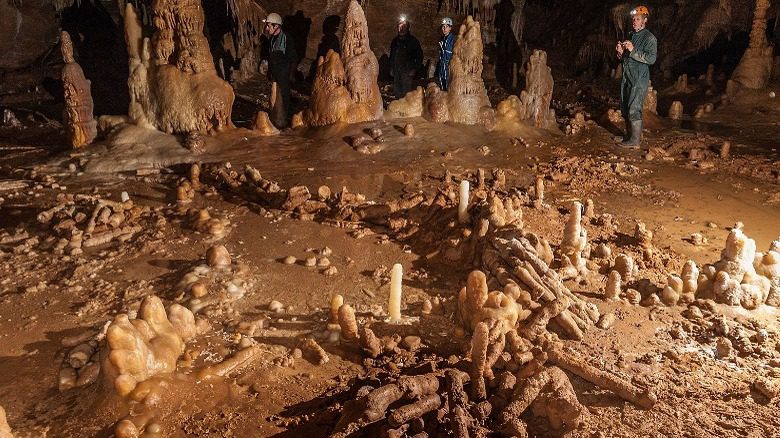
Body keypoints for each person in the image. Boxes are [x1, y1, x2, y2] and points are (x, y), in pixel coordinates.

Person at [615, 5, 657, 148]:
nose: (634, 21)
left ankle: (635, 141)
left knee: (634, 108)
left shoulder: (649, 38)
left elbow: (651, 59)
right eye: (633, 19)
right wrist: (621, 52)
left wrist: (633, 50)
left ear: (644, 21)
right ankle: (629, 135)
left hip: (639, 79)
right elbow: (626, 59)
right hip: (627, 77)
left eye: (637, 19)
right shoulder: (631, 35)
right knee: (626, 107)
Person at [263, 12, 297, 128]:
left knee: (284, 95)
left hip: (284, 72)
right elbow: (271, 57)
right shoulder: (272, 39)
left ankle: (284, 120)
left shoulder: (286, 38)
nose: (267, 28)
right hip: (275, 72)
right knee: (275, 95)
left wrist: (291, 74)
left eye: (269, 25)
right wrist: (269, 71)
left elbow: (293, 58)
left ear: (276, 26)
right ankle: (276, 117)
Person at [389, 16, 423, 99]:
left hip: (407, 72)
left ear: (407, 27)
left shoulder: (413, 41)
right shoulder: (395, 41)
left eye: (404, 26)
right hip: (397, 71)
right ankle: (398, 111)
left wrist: (414, 69)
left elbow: (419, 56)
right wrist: (392, 68)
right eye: (400, 25)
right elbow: (392, 56)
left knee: (406, 95)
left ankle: (405, 111)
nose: (401, 27)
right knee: (397, 93)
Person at [435, 17, 456, 91]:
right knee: (442, 86)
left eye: (446, 26)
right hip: (442, 66)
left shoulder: (453, 39)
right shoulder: (441, 39)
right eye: (443, 26)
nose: (444, 28)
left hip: (449, 67)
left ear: (450, 28)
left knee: (449, 87)